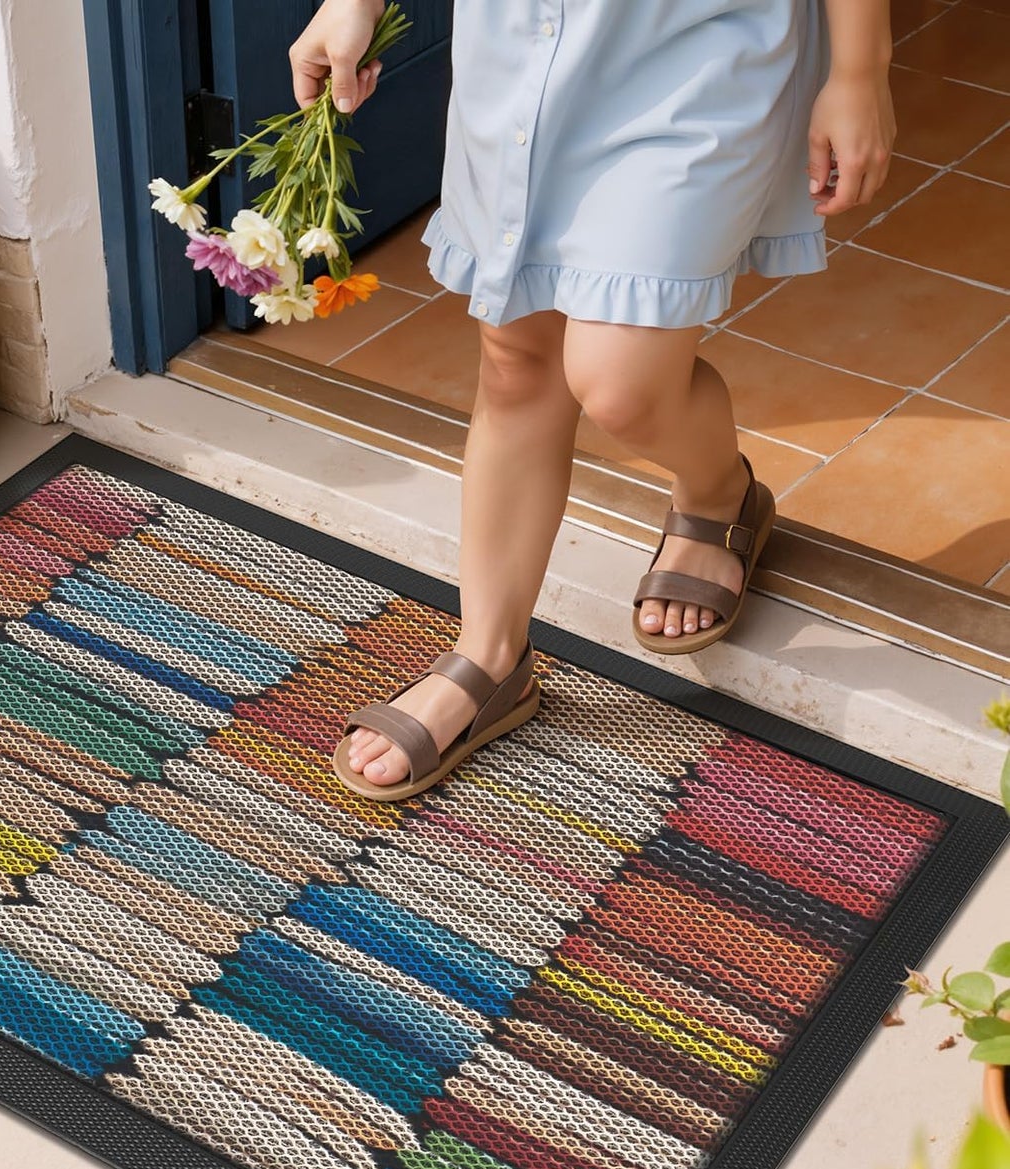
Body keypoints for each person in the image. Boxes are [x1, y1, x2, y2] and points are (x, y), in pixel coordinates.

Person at [289, 0, 895, 801]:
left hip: (693, 51)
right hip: (519, 45)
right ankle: (488, 656)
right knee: (515, 359)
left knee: (619, 382)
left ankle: (717, 491)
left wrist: (859, 69)